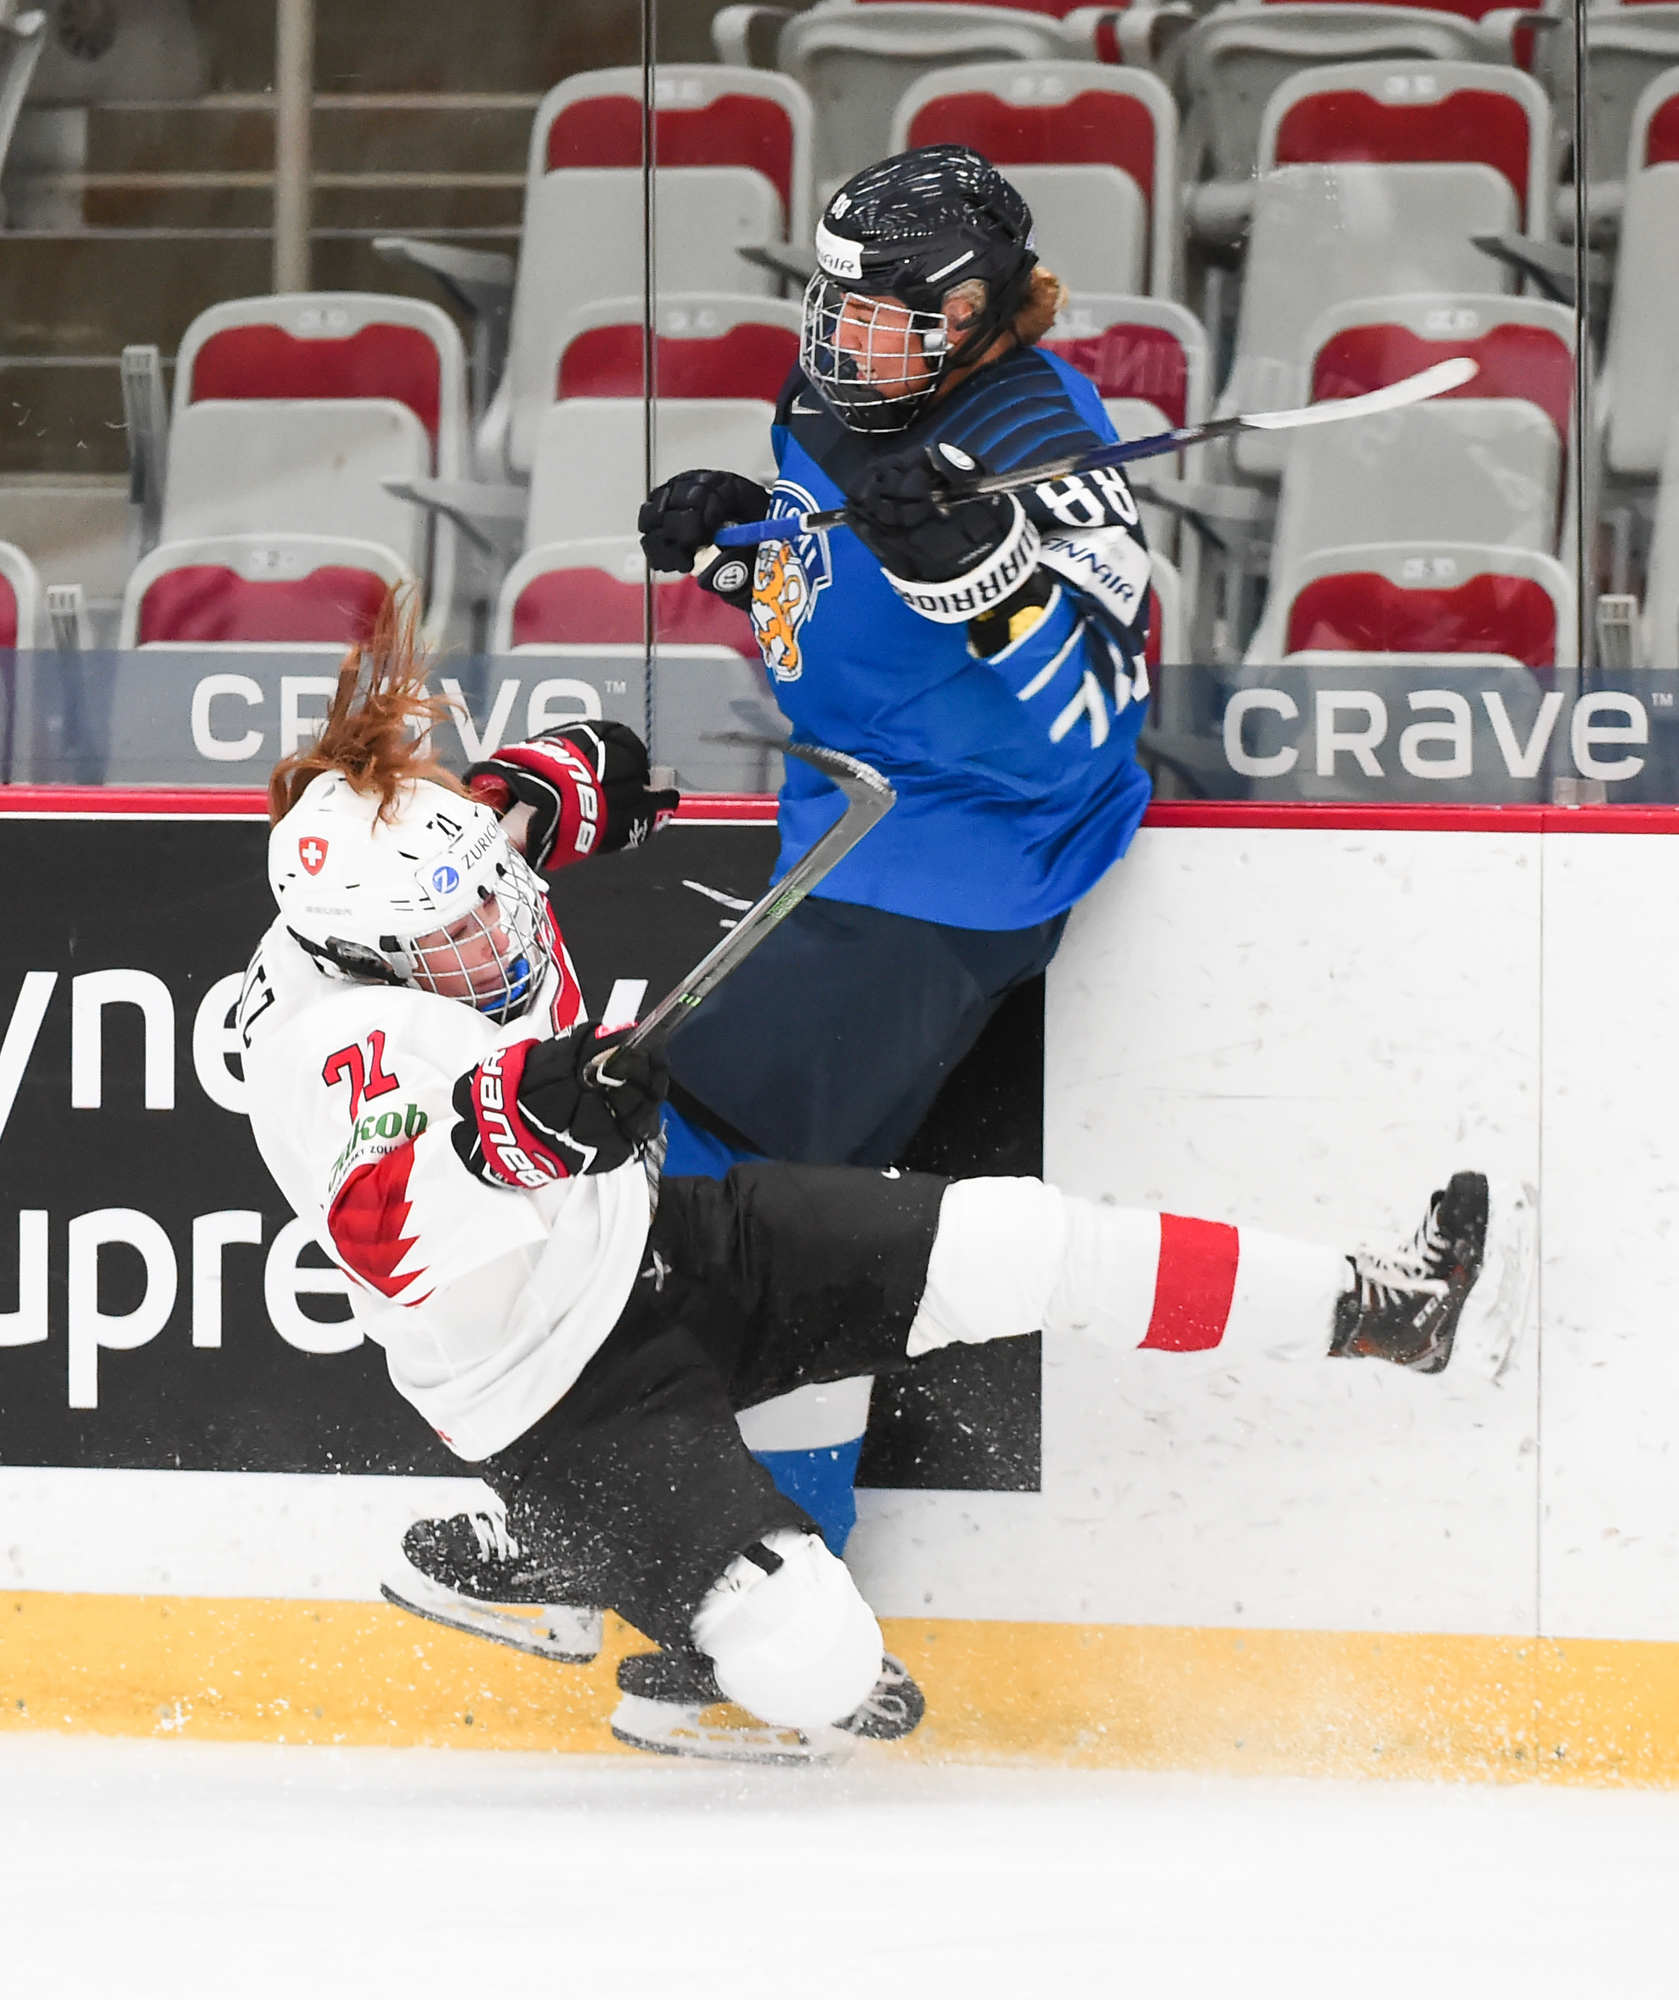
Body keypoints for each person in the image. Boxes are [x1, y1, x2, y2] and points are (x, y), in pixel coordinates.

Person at [242, 614, 1526, 1764]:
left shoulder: (422, 888)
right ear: (361, 955)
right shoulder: (333, 1048)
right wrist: (517, 1124)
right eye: (452, 934)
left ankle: (1385, 1309)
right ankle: (576, 1550)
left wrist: (540, 792)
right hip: (557, 1393)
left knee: (1021, 1239)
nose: (494, 931)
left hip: (665, 1244)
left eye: (488, 895)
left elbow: (488, 845)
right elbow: (409, 1208)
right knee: (818, 1661)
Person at [397, 142, 1171, 1755]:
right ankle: (732, 1611)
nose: (844, 335)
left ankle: (614, 1558)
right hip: (846, 830)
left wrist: (976, 572)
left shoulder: (1037, 440)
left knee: (677, 1164)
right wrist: (745, 544)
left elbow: (1091, 707)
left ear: (973, 314)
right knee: (776, 1224)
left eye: (886, 314)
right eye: (834, 302)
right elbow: (827, 601)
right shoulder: (828, 401)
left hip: (957, 862)